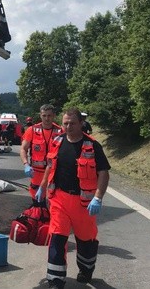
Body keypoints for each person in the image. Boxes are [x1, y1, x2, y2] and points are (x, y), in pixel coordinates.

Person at [37, 108, 110, 288]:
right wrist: (42, 186)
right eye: (65, 123)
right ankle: (55, 280)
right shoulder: (57, 141)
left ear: (81, 124)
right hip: (59, 200)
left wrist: (98, 198)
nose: (68, 127)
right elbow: (49, 166)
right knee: (57, 239)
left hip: (83, 203)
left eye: (72, 123)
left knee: (86, 240)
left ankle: (86, 270)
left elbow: (103, 173)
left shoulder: (92, 145)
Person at [20, 104, 63, 203]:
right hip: (37, 174)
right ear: (40, 115)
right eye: (44, 115)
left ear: (54, 116)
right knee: (38, 205)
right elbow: (23, 149)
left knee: (54, 203)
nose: (47, 118)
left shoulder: (60, 131)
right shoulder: (32, 130)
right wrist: (26, 164)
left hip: (54, 173)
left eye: (49, 115)